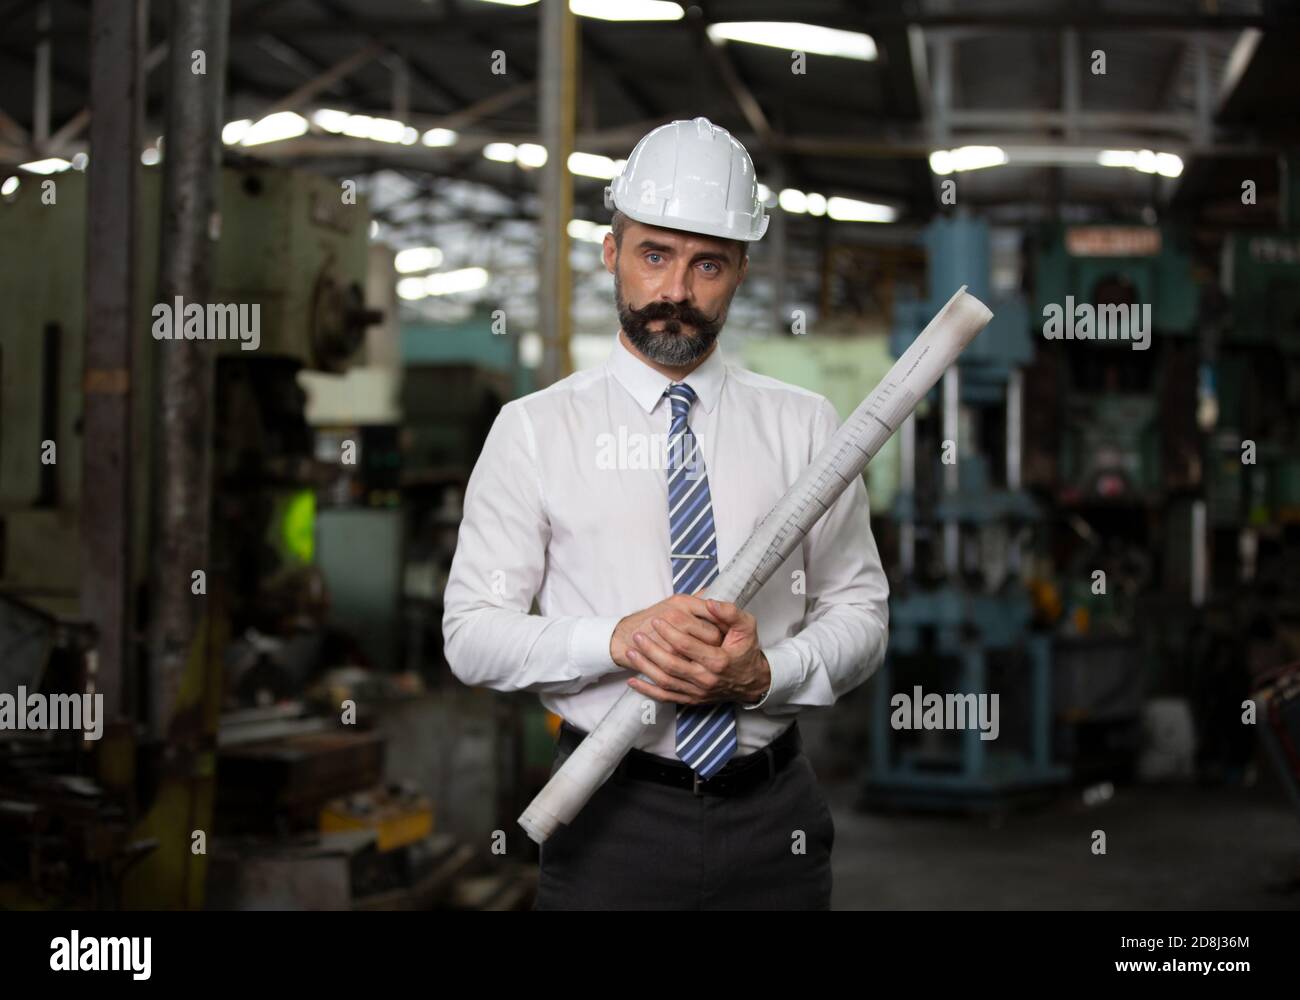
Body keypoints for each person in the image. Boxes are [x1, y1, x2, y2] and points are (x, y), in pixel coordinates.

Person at [442, 116, 889, 909]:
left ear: (741, 269)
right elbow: (472, 635)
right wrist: (615, 639)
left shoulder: (806, 426)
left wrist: (766, 674)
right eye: (654, 255)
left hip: (773, 819)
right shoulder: (535, 431)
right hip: (608, 811)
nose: (676, 292)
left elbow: (861, 612)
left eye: (706, 263)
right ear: (611, 252)